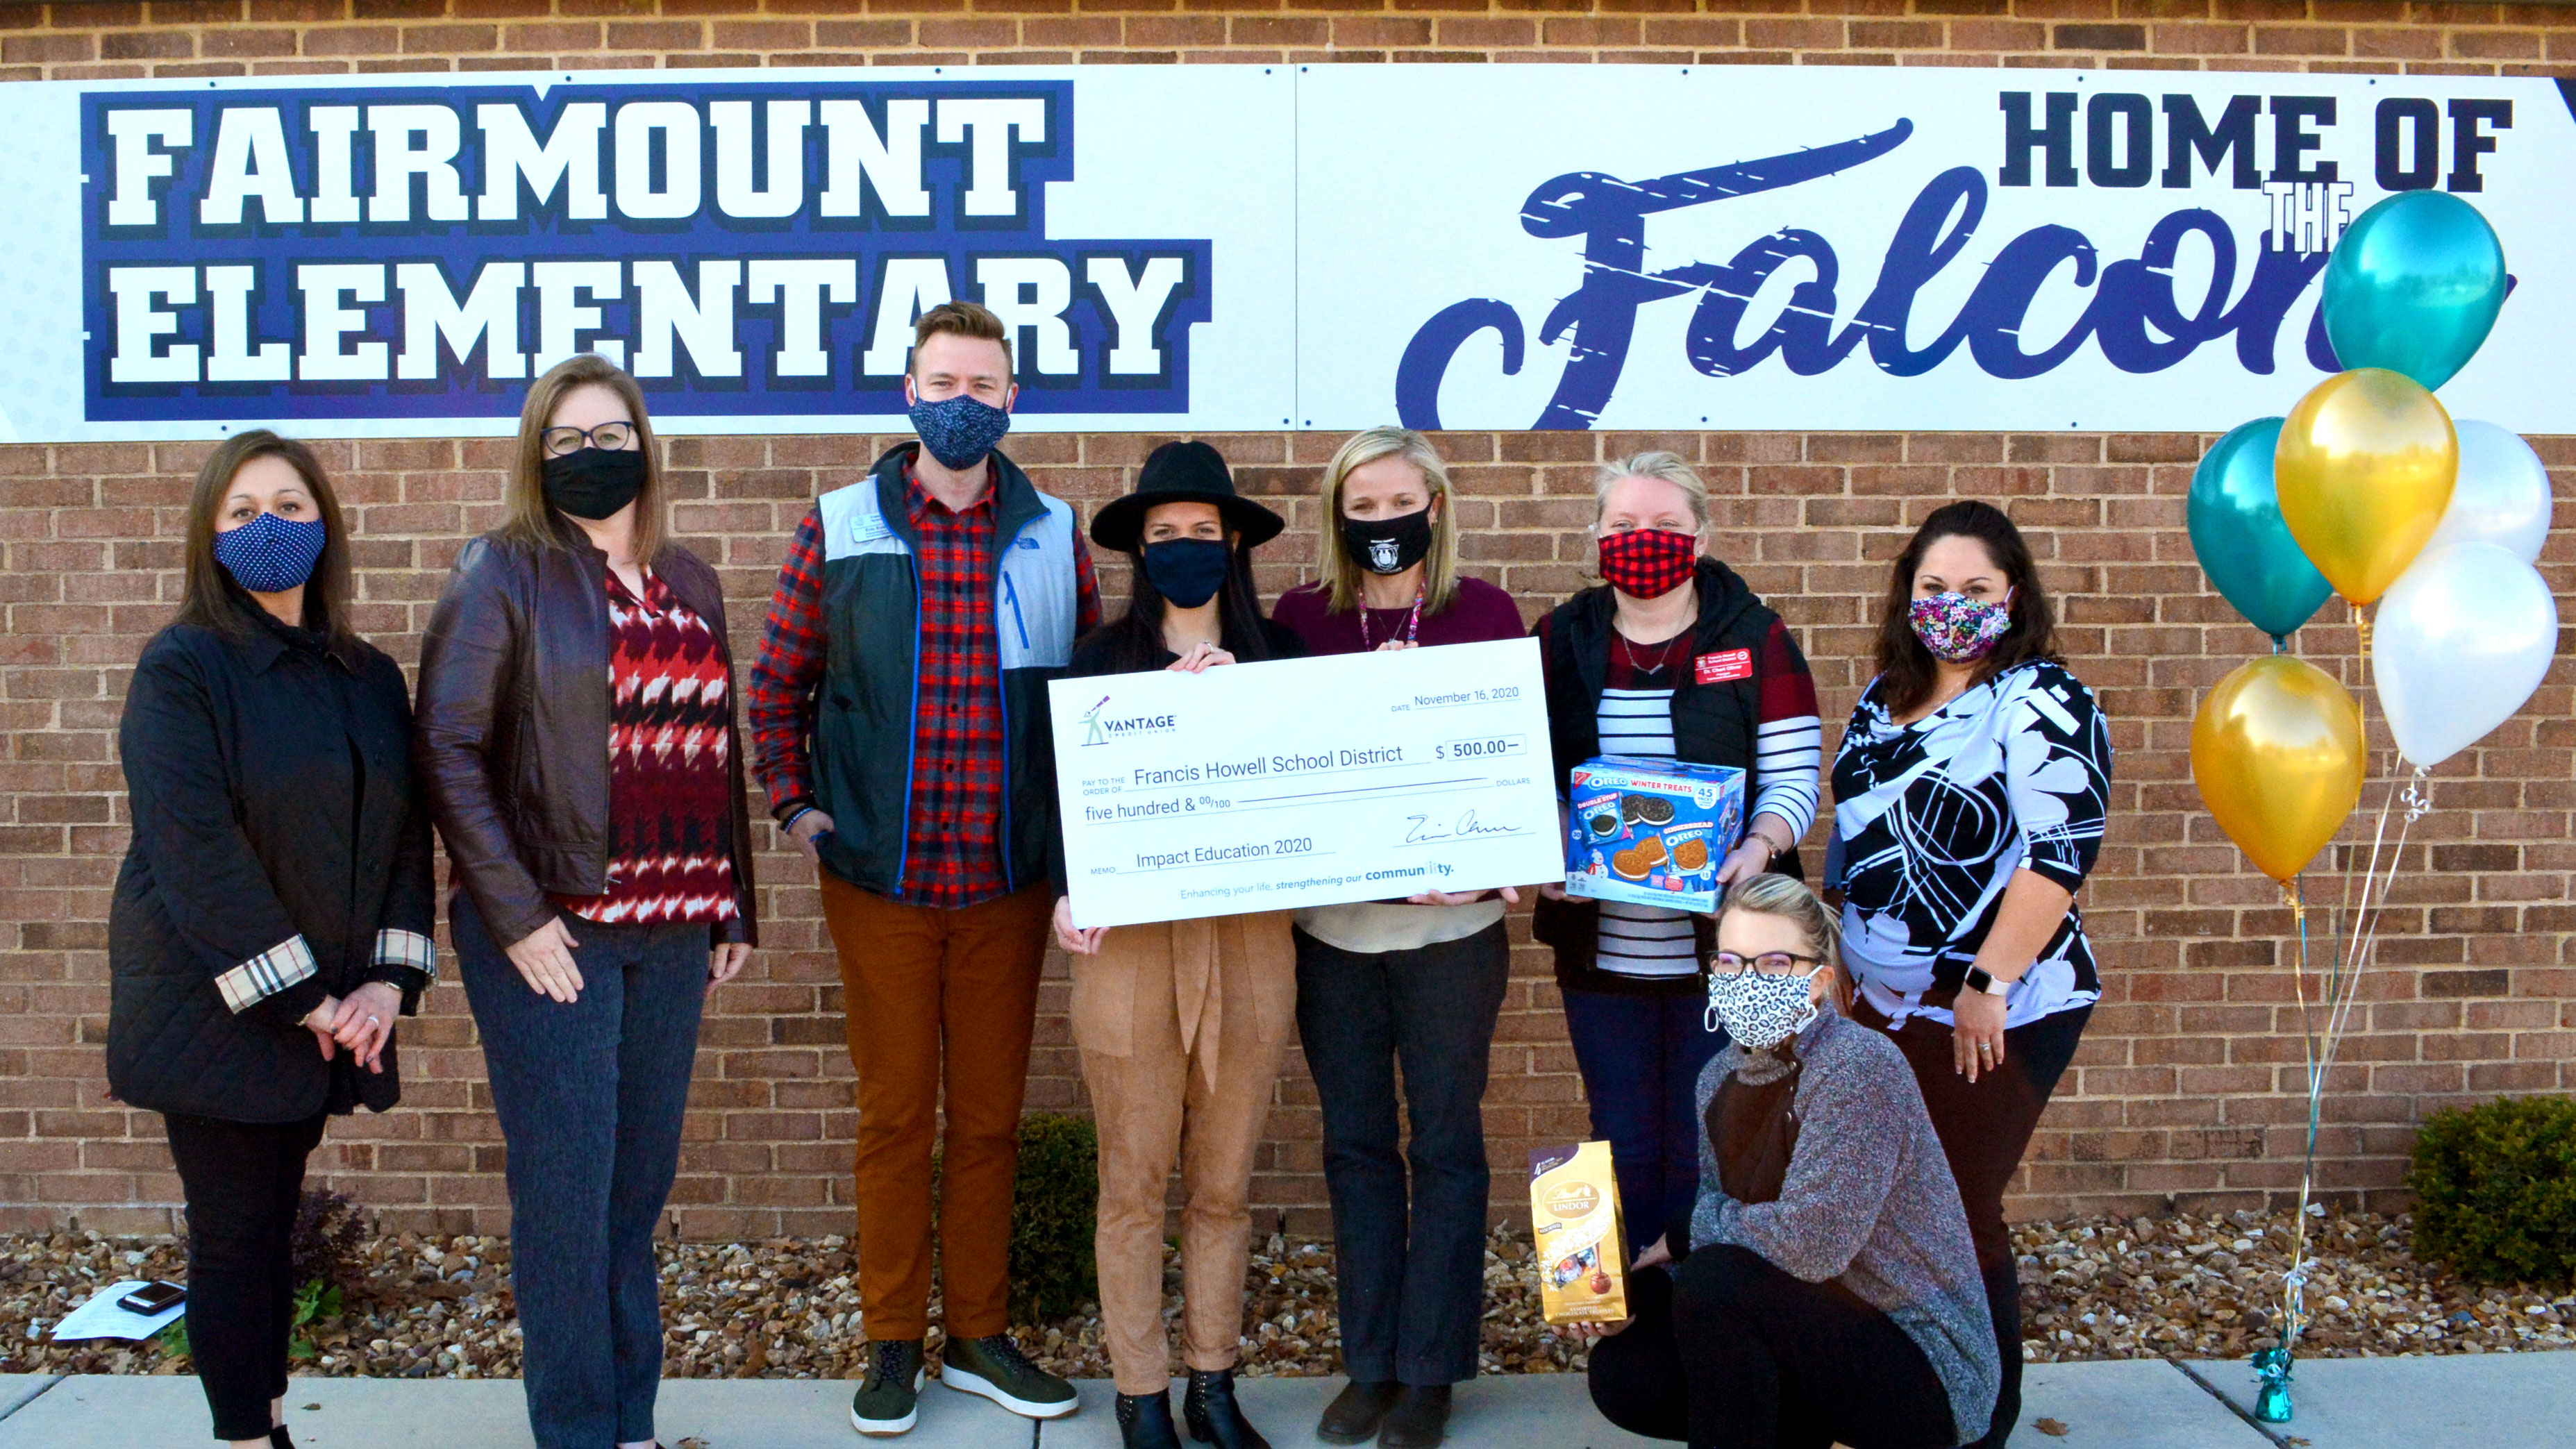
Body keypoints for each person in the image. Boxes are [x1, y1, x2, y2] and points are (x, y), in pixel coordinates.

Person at [744, 300, 1097, 1436]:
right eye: (942, 382)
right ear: (908, 390)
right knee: (896, 1116)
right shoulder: (841, 522)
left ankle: (980, 1335)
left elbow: (1088, 698)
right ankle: (892, 1340)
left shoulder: (1053, 531)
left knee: (990, 1118)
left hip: (1004, 879)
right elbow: (777, 683)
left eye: (982, 384)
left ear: (1011, 399)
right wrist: (800, 808)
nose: (961, 402)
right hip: (879, 882)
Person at [415, 355, 759, 1449]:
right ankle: (576, 1429)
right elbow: (446, 747)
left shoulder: (691, 578)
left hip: (673, 929)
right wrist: (516, 915)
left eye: (612, 433)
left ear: (645, 445)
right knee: (567, 1198)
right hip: (555, 930)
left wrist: (730, 902)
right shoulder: (502, 572)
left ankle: (631, 1423)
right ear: (536, 455)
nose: (592, 454)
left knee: (634, 1192)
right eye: (566, 439)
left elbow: (714, 749)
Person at [108, 431, 436, 1449]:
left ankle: (271, 1419)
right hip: (217, 1004)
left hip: (328, 1008)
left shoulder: (366, 673)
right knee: (237, 1233)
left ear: (324, 525)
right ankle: (249, 1438)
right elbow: (193, 848)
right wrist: (307, 998)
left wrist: (386, 981)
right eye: (243, 510)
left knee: (271, 1227)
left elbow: (403, 834)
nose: (269, 526)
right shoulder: (183, 667)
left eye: (290, 506)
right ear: (209, 533)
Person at [1828, 500, 2111, 1449]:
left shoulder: (2038, 698)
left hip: (2000, 1007)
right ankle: (1906, 1394)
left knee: (1955, 1201)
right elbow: (1852, 839)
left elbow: (2058, 854)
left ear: (2012, 595)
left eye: (1975, 588)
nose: (1952, 604)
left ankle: (1981, 1418)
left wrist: (1984, 985)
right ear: (1907, 594)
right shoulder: (1884, 695)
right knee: (1887, 1199)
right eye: (1934, 586)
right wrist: (1838, 960)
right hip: (1881, 1004)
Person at [1269, 426, 1529, 1449]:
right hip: (1333, 933)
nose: (1383, 521)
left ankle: (1431, 1369)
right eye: (1362, 507)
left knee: (1448, 1144)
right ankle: (1370, 1361)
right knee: (1356, 1145)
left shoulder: (1485, 613)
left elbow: (1515, 761)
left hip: (1453, 932)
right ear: (1337, 515)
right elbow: (1269, 757)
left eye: (1399, 502)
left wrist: (1499, 854)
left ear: (1435, 505)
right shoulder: (1299, 619)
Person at [1049, 441, 1306, 1449]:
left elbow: (1319, 783)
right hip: (1131, 942)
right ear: (1140, 549)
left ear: (1233, 542)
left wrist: (1245, 707)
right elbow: (1059, 794)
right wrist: (1066, 890)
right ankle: (1139, 1388)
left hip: (1247, 938)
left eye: (1203, 530)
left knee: (1223, 1180)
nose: (1185, 546)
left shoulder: (1282, 657)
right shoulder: (1097, 660)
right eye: (1165, 533)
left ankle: (1211, 1377)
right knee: (1132, 1177)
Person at [1582, 873, 1999, 1449]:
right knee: (1629, 1369)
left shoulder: (1858, 1066)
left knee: (1716, 1281)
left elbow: (1811, 1244)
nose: (1748, 980)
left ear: (1819, 981)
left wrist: (1685, 1231)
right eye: (1731, 962)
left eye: (1775, 963)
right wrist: (1631, 1297)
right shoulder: (1717, 1079)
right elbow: (1733, 1232)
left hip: (1924, 1361)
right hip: (1814, 1322)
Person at [1530, 453, 1821, 1264]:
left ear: (1700, 537)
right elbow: (1522, 770)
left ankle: (1702, 1313)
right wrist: (1552, 840)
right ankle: (1612, 1311)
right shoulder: (1559, 637)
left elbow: (1794, 778)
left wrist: (1758, 847)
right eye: (1622, 524)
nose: (1641, 539)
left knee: (1714, 1142)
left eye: (1663, 525)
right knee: (1618, 1136)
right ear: (1596, 534)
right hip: (1601, 948)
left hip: (1731, 950)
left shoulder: (1754, 636)